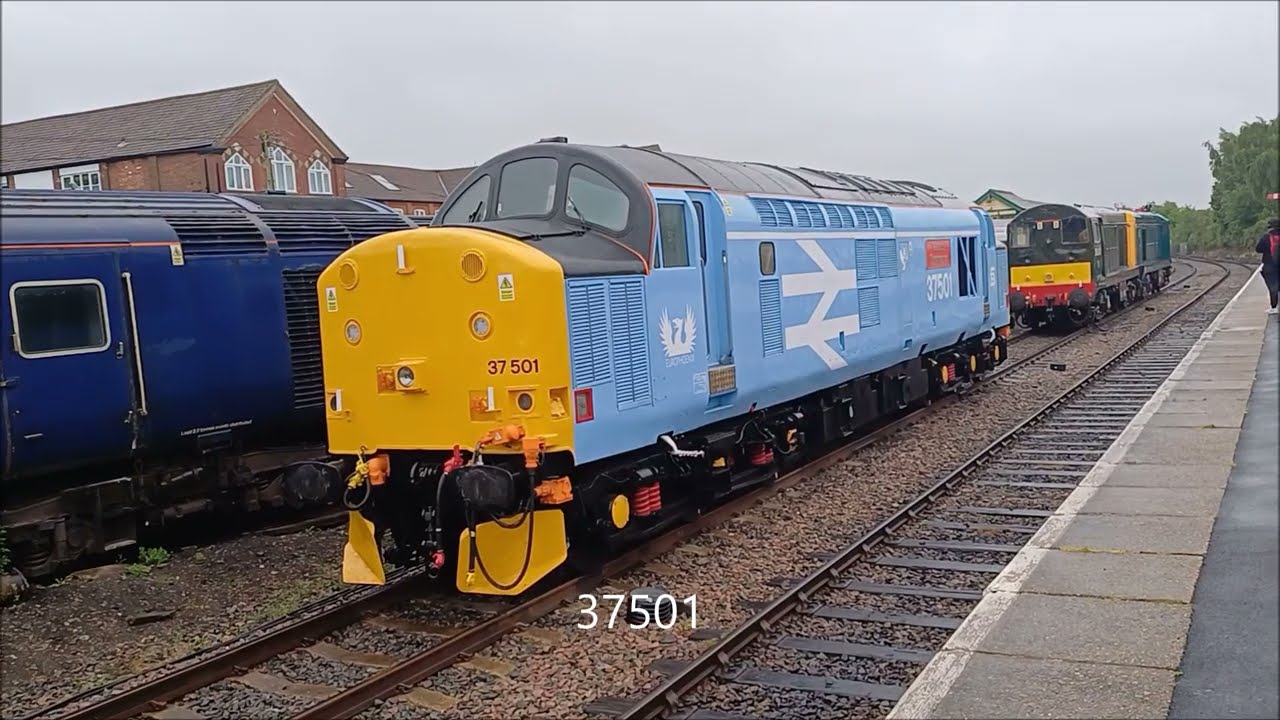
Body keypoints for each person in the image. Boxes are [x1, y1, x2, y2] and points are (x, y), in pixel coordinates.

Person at [1257, 217, 1280, 314]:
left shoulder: (1266, 237)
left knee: (1272, 286)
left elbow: (1258, 249)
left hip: (1269, 264)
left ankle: (1274, 307)